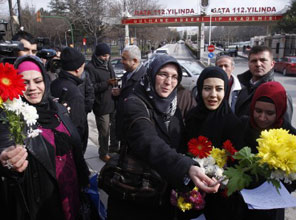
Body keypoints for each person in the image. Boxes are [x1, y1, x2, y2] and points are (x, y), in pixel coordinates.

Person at [107, 55, 220, 220]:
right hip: (135, 197)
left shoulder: (173, 105)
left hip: (161, 196)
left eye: (174, 77)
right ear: (151, 74)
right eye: (163, 74)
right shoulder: (134, 103)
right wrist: (185, 167)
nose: (169, 81)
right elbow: (147, 140)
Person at [0, 55, 89, 220]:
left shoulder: (59, 109)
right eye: (24, 82)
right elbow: (5, 149)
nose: (32, 87)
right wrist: (7, 162)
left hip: (72, 195)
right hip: (44, 206)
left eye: (37, 81)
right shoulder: (10, 119)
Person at [182, 66, 244, 220]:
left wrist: (221, 176)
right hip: (191, 195)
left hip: (221, 201)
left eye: (219, 89)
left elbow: (238, 168)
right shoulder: (192, 118)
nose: (213, 95)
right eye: (207, 88)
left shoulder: (233, 124)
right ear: (200, 89)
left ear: (226, 91)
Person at [238, 81, 296, 220]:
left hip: (271, 210)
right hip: (240, 206)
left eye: (270, 113)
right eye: (258, 111)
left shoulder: (291, 137)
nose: (262, 118)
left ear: (281, 110)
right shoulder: (241, 127)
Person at [235, 45, 293, 121]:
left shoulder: (280, 94)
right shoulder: (240, 87)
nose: (258, 64)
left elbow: (284, 128)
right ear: (248, 64)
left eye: (263, 60)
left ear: (272, 64)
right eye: (254, 61)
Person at [50, 47, 89, 153]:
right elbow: (76, 128)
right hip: (69, 151)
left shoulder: (54, 83)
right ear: (77, 69)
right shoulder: (75, 94)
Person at [85, 43, 117, 162]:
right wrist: (107, 83)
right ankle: (103, 153)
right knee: (104, 131)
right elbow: (91, 87)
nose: (106, 57)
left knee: (114, 128)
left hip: (113, 101)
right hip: (101, 105)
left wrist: (115, 85)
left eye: (108, 55)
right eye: (104, 56)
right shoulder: (90, 67)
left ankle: (114, 148)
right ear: (97, 55)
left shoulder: (108, 64)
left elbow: (113, 78)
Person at [114, 45, 147, 141]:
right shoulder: (127, 75)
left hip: (133, 129)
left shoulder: (145, 79)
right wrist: (118, 94)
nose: (121, 61)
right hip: (124, 125)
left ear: (135, 61)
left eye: (124, 59)